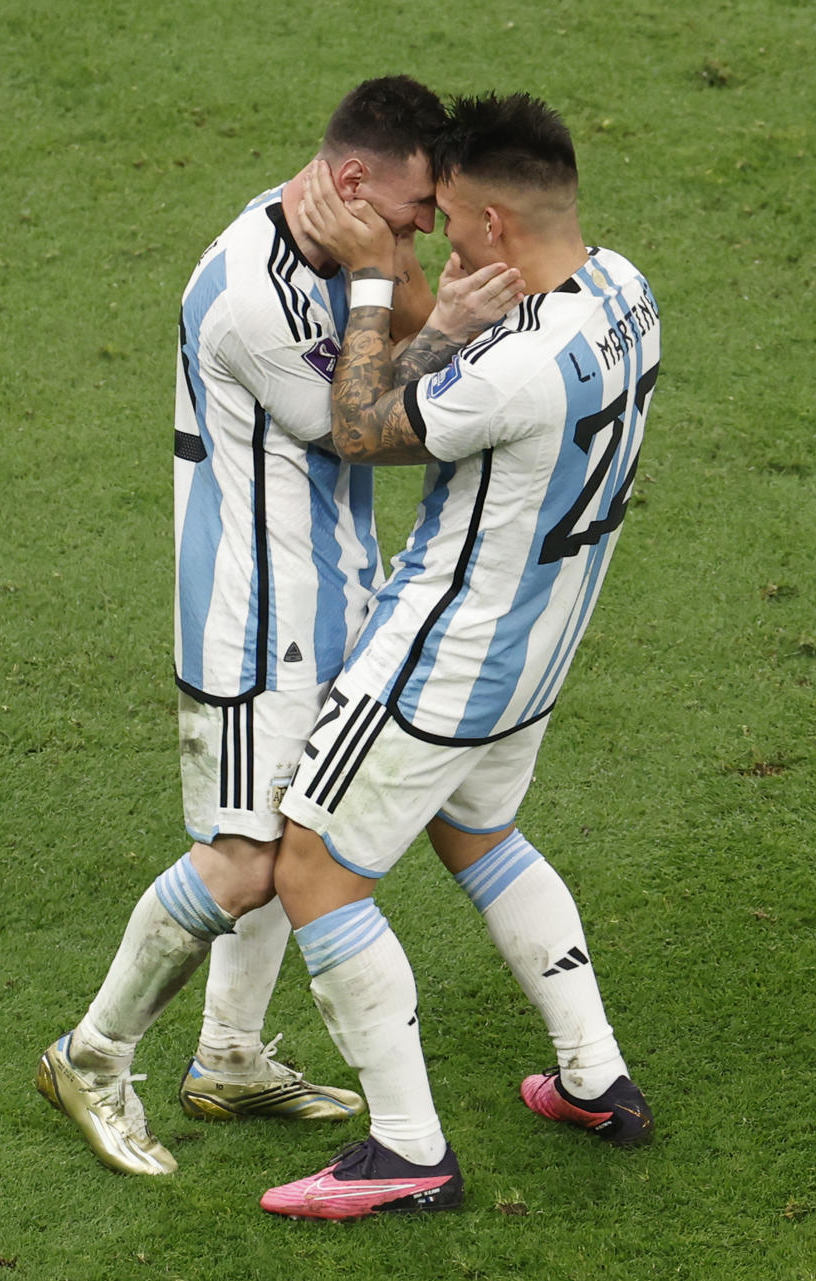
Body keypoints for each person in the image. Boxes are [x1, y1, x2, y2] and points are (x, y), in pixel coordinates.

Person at [35, 75, 514, 1177]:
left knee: (296, 827)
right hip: (257, 625)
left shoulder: (324, 235)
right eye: (407, 217)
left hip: (335, 594)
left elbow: (376, 343)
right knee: (245, 861)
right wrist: (432, 317)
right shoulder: (252, 295)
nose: (417, 237)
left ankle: (230, 1055)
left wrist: (391, 287)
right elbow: (373, 429)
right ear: (351, 183)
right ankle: (91, 1054)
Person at [257, 91, 661, 1219]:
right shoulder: (626, 290)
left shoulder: (512, 371)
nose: (428, 226)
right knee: (477, 833)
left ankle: (406, 1153)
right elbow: (488, 348)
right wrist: (426, 294)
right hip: (537, 659)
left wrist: (377, 284)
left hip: (438, 663)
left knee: (313, 870)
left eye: (442, 214)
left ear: (491, 226)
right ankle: (593, 1076)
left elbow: (359, 425)